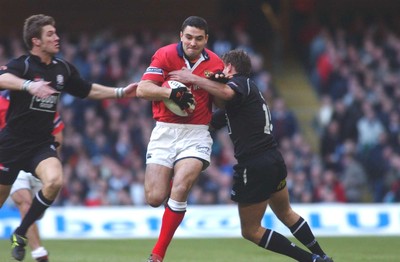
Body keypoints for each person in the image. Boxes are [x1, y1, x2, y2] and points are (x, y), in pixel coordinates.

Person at [169, 49, 334, 261]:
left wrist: (192, 78)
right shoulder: (241, 100)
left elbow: (226, 93)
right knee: (285, 213)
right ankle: (321, 256)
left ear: (229, 67)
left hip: (255, 164)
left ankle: (310, 260)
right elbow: (209, 123)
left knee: (251, 230)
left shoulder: (241, 83)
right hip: (273, 159)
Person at [0, 14, 137, 261]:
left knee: (54, 181)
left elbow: (87, 89)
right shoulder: (23, 65)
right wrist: (28, 85)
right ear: (36, 41)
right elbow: (2, 79)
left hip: (41, 144)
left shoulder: (62, 69)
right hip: (11, 144)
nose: (57, 37)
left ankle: (20, 233)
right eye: (50, 34)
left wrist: (119, 92)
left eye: (56, 32)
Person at [136, 16, 229, 262]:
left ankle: (157, 255)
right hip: (165, 130)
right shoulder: (165, 55)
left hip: (197, 132)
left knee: (180, 186)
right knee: (155, 198)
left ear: (206, 39)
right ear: (181, 36)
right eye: (189, 37)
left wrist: (216, 85)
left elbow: (222, 103)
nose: (193, 43)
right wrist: (171, 91)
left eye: (199, 38)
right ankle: (170, 200)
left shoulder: (216, 63)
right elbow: (142, 89)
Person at [0, 90, 63, 262]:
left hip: (37, 157)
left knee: (37, 210)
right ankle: (38, 252)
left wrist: (52, 159)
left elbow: (57, 133)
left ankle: (23, 230)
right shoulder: (2, 102)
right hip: (10, 156)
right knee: (24, 201)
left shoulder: (43, 103)